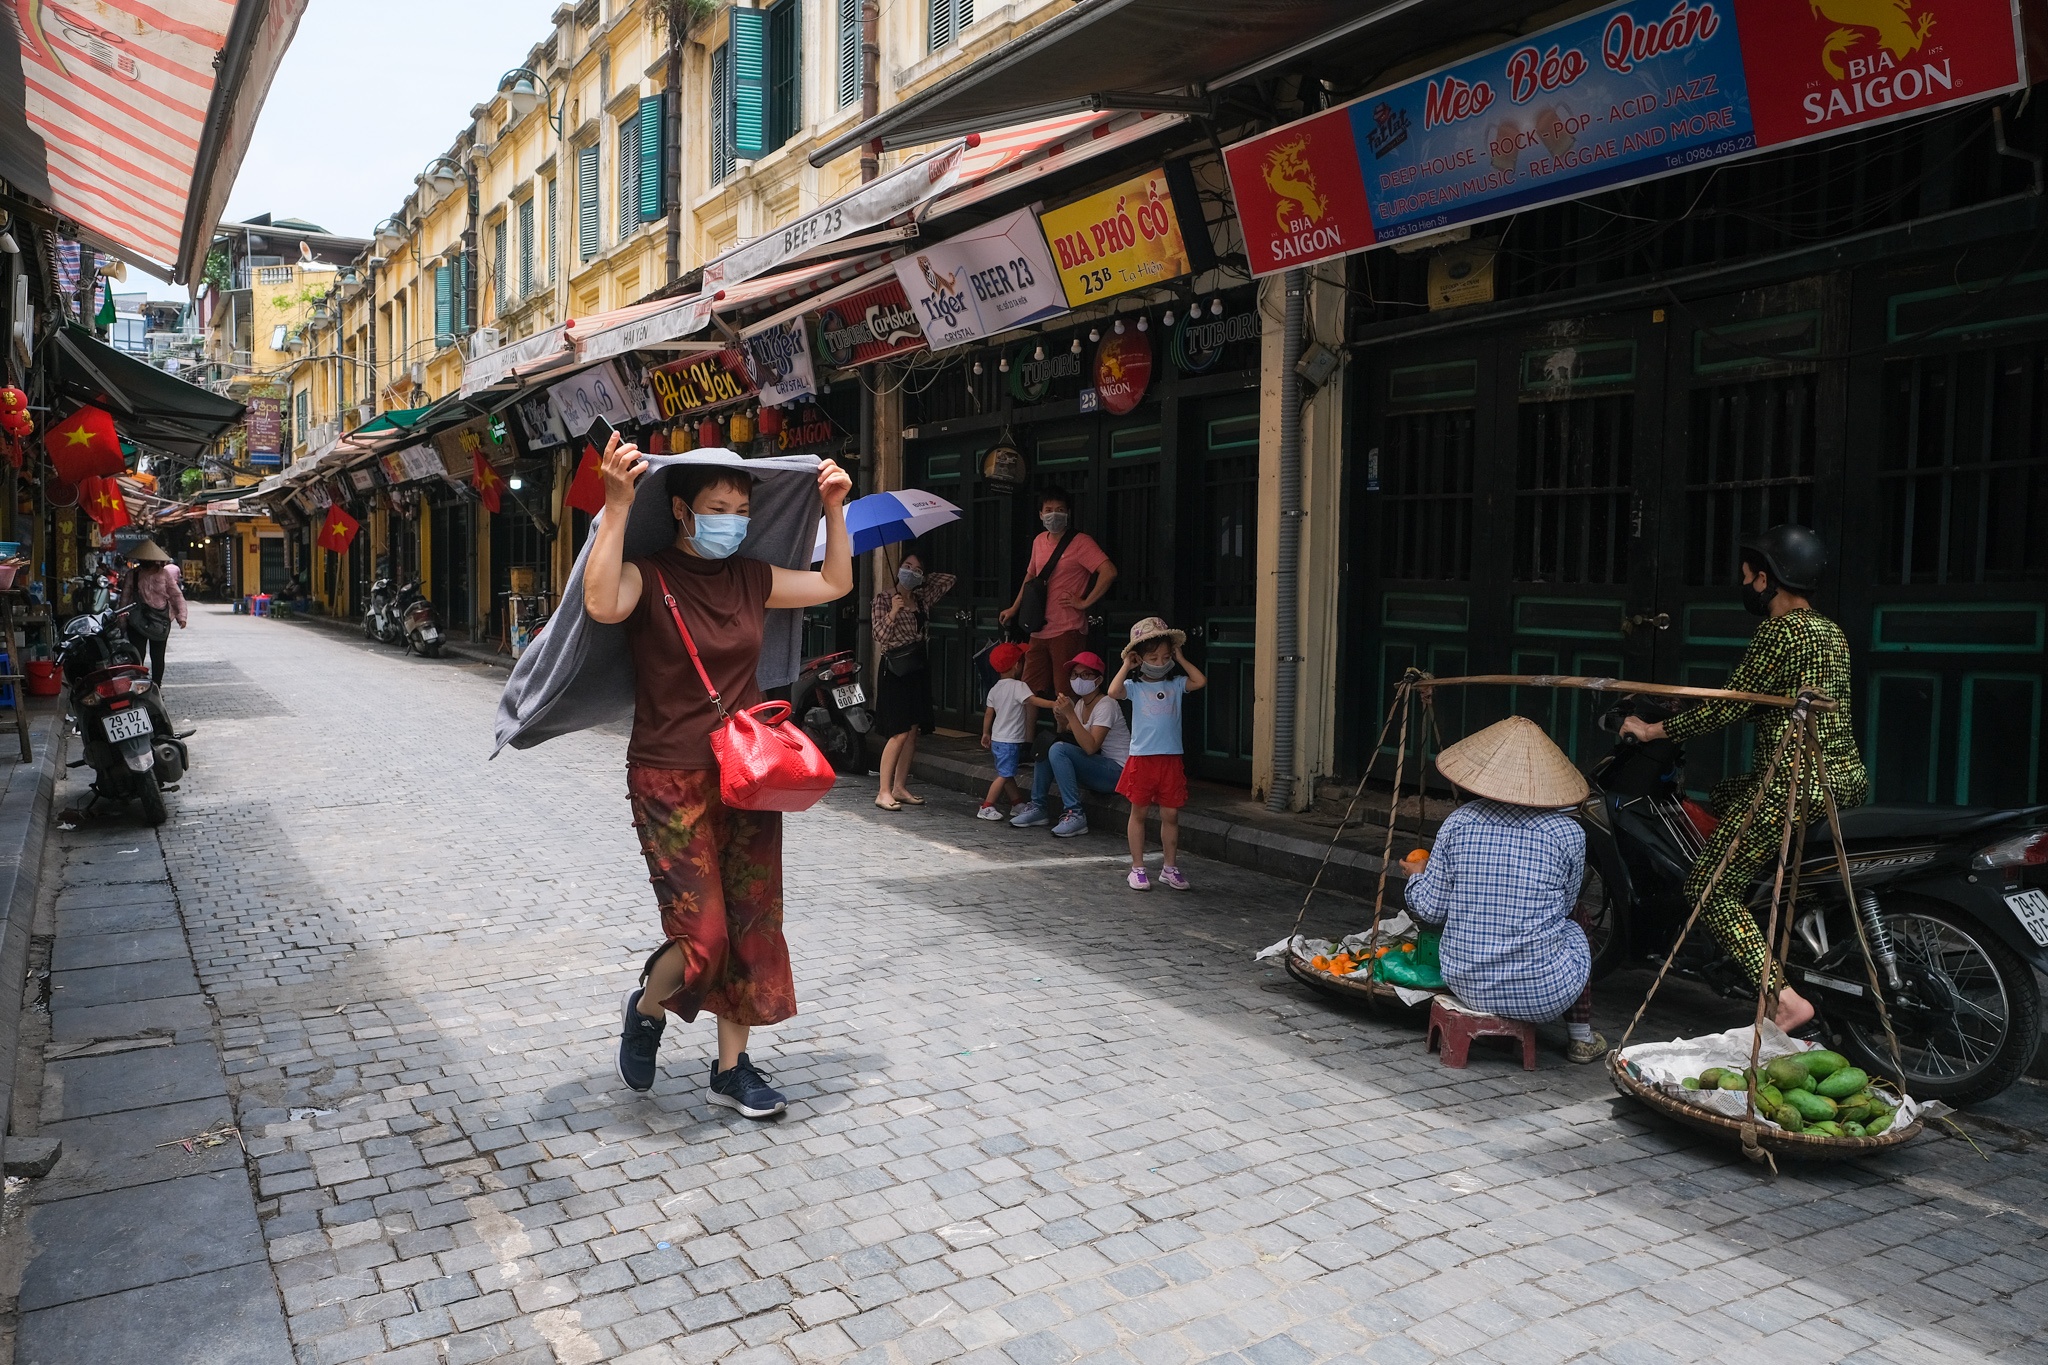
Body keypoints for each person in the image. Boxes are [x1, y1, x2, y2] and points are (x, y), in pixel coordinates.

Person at [585, 436, 854, 1114]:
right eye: (717, 506)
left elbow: (833, 583)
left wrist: (834, 510)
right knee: (702, 938)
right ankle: (647, 1006)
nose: (731, 518)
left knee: (752, 923)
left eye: (740, 507)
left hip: (747, 772)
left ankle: (733, 1068)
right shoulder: (649, 574)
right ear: (683, 510)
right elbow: (600, 604)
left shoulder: (752, 576)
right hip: (668, 775)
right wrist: (617, 505)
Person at [1620, 524, 1865, 1032]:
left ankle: (1784, 999)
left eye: (1748, 574)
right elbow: (1770, 702)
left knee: (1709, 888)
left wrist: (1652, 729)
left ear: (1768, 578)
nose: (1745, 583)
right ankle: (1764, 914)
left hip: (1792, 785)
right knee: (1729, 793)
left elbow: (1728, 710)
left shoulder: (1779, 632)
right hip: (1840, 777)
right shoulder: (1828, 632)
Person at [1402, 716, 1607, 1062]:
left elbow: (1431, 909)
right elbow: (1565, 906)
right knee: (1579, 919)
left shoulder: (1460, 822)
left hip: (1465, 982)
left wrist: (1417, 876)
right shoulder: (1568, 833)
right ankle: (1581, 1038)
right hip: (1543, 994)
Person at [1109, 617, 1205, 890]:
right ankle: (1137, 867)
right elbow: (1113, 691)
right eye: (1153, 657)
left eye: (1166, 656)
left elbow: (1200, 681)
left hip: (1171, 758)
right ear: (1141, 658)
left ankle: (1170, 867)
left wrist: (1181, 659)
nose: (1161, 662)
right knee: (1138, 812)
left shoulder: (1175, 685)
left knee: (1171, 814)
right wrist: (1127, 664)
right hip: (1143, 757)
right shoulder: (1135, 687)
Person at [997, 487, 1117, 700]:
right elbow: (1030, 578)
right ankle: (1026, 734)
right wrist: (1015, 608)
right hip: (1038, 628)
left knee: (1065, 692)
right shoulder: (1038, 541)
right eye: (1049, 509)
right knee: (1029, 692)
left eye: (1060, 509)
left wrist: (1085, 602)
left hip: (1067, 629)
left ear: (1068, 513)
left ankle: (1065, 733)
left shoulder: (1081, 542)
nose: (1054, 514)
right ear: (1041, 514)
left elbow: (1108, 571)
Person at [871, 549, 956, 811]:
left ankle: (900, 786)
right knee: (898, 731)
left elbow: (949, 579)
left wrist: (921, 578)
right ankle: (883, 791)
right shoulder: (884, 599)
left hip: (917, 667)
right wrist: (894, 611)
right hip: (895, 668)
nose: (910, 571)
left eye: (916, 569)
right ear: (897, 569)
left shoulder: (921, 598)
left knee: (912, 731)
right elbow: (879, 635)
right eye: (906, 566)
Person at [1011, 651, 1128, 838]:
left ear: (1098, 680)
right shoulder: (1081, 704)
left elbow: (1091, 746)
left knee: (1058, 749)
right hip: (1096, 766)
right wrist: (1062, 721)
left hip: (1117, 773)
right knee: (1048, 744)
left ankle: (1075, 814)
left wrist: (1070, 715)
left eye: (1085, 675)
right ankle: (1038, 807)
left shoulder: (1107, 704)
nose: (1078, 679)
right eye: (1074, 675)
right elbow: (1069, 739)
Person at [118, 539, 188, 684]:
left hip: (160, 622)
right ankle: (138, 684)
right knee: (138, 655)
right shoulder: (132, 575)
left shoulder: (164, 575)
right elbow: (124, 599)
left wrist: (182, 616)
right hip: (137, 621)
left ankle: (156, 686)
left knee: (158, 657)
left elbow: (176, 595)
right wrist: (122, 621)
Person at [979, 642, 1034, 820]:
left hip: (998, 740)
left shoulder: (995, 689)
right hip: (1010, 741)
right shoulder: (1019, 687)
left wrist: (986, 733)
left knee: (1008, 773)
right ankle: (987, 806)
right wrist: (1054, 704)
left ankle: (1017, 803)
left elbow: (989, 714)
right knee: (1004, 775)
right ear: (1017, 665)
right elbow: (1034, 701)